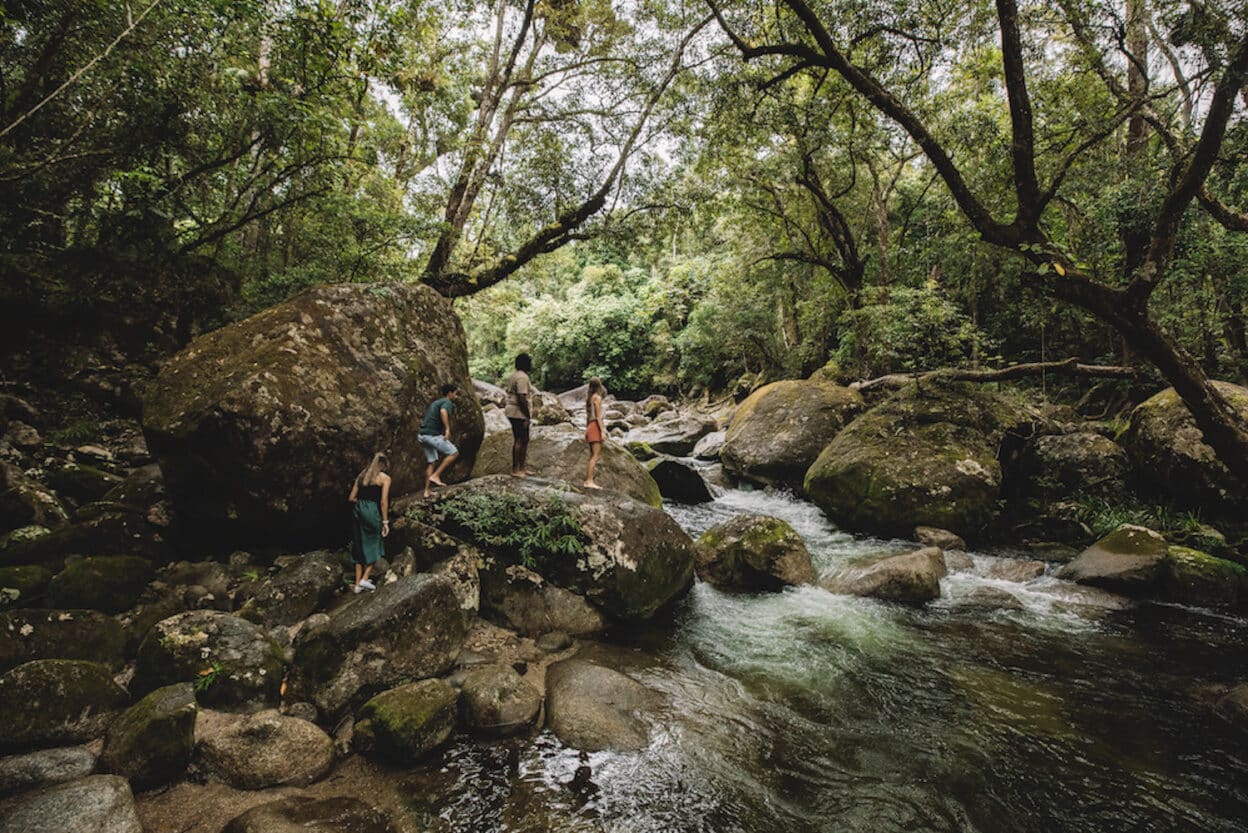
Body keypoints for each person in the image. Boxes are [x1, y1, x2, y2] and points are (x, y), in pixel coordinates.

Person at [348, 452, 390, 594]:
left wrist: (361, 505)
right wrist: (385, 522)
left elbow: (351, 498)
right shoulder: (384, 478)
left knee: (359, 543)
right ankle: (365, 578)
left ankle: (357, 585)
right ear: (383, 465)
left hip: (358, 509)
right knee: (375, 542)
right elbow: (384, 502)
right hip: (372, 510)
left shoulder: (361, 477)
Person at [418, 383, 460, 498]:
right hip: (432, 435)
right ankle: (436, 475)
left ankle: (427, 491)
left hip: (422, 436)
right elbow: (443, 412)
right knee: (454, 452)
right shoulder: (447, 402)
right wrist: (447, 429)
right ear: (450, 393)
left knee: (432, 462)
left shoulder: (436, 402)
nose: (456, 395)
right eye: (455, 393)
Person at [504, 353, 534, 477]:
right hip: (518, 412)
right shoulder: (522, 377)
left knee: (524, 439)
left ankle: (521, 468)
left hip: (512, 410)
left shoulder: (513, 375)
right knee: (520, 440)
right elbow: (522, 397)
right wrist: (527, 415)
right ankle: (516, 469)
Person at [584, 377, 606, 490]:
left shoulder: (589, 398)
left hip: (590, 426)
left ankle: (589, 480)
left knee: (592, 455)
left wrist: (586, 430)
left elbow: (589, 416)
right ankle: (589, 481)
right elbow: (598, 416)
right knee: (595, 456)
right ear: (599, 386)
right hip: (595, 427)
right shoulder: (597, 398)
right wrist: (602, 431)